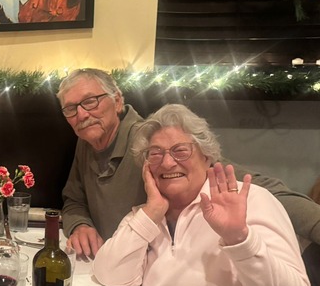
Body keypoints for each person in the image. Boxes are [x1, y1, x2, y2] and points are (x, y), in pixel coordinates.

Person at [92, 104, 320, 286]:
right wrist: (153, 211)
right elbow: (109, 274)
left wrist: (239, 239)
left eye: (180, 150)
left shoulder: (251, 202)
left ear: (207, 156)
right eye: (155, 154)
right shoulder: (147, 215)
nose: (167, 162)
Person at [58, 68, 320, 258]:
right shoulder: (88, 143)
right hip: (113, 264)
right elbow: (74, 199)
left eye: (90, 101)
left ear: (116, 100)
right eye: (71, 109)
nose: (82, 114)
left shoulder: (149, 144)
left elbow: (245, 181)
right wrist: (81, 225)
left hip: (162, 274)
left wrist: (315, 222)